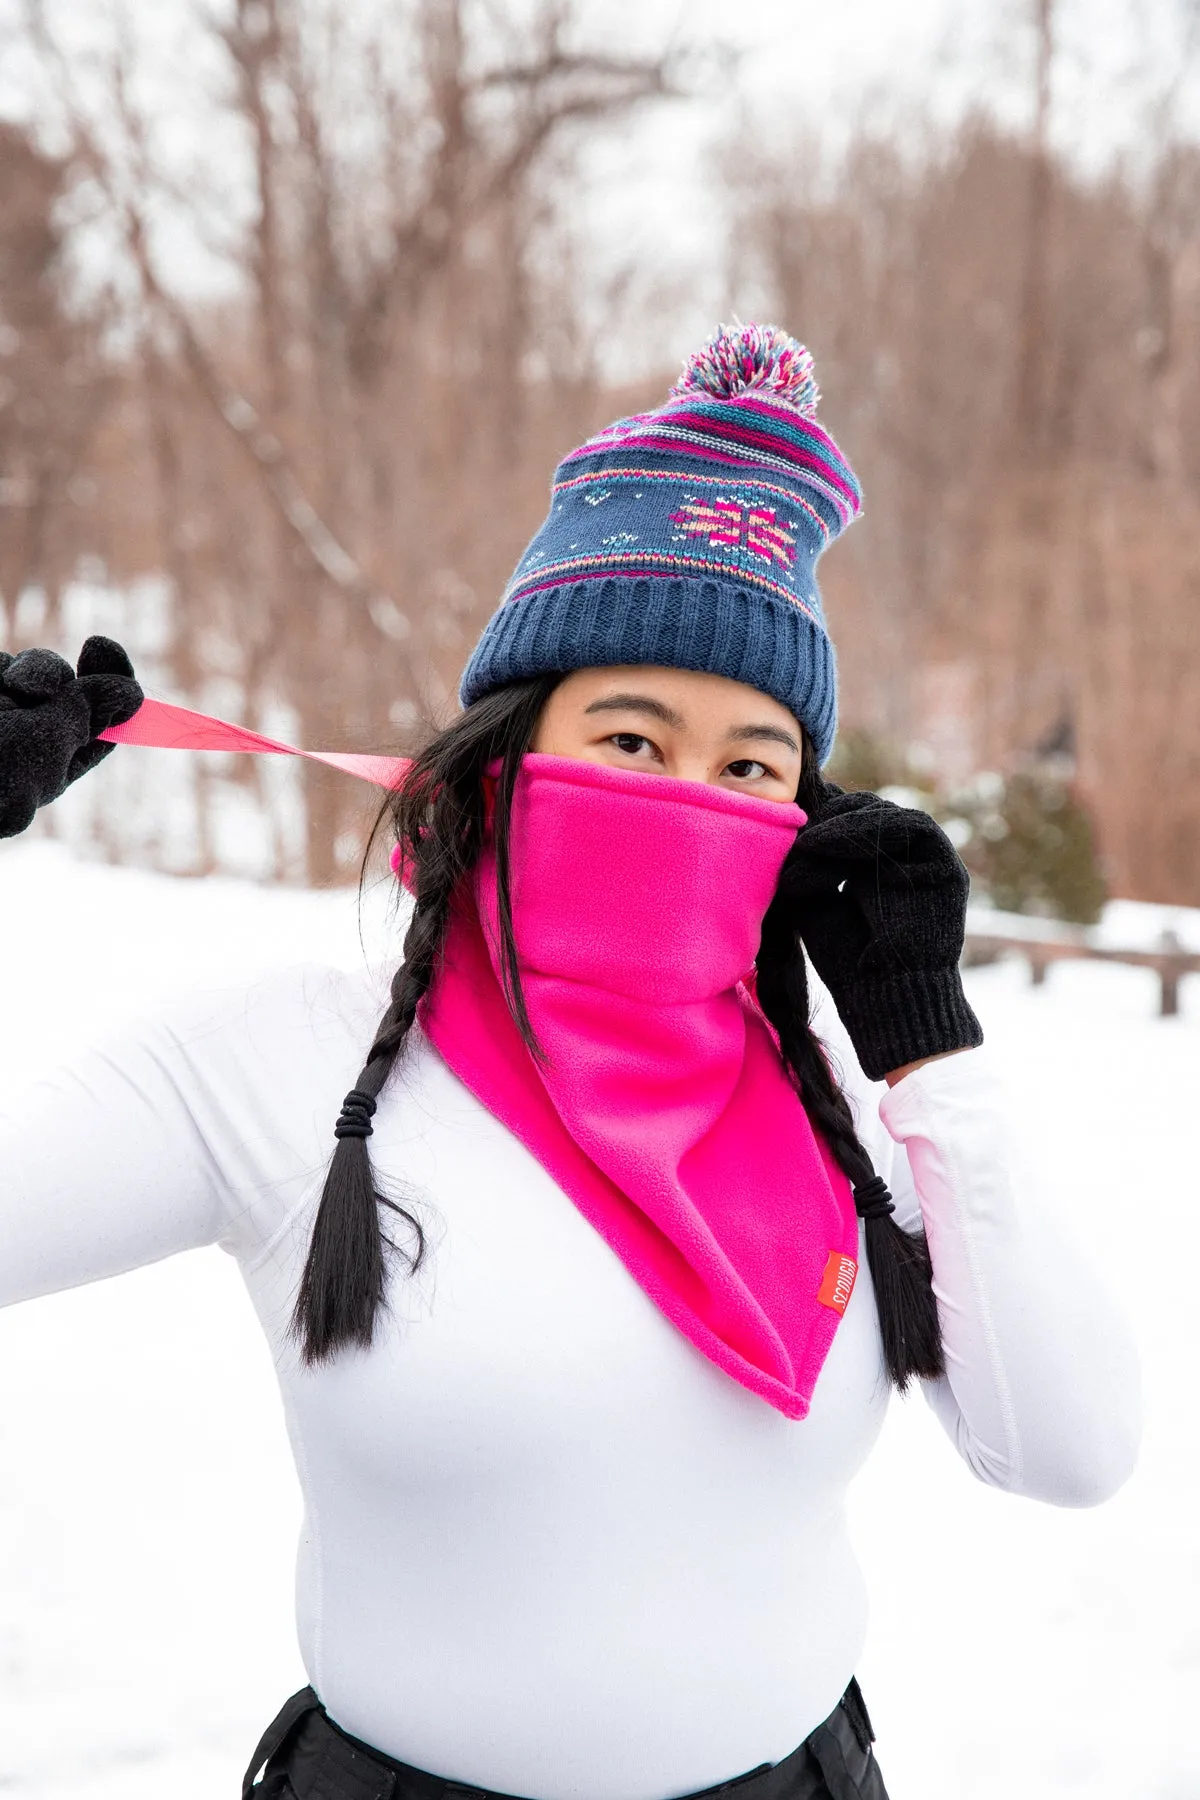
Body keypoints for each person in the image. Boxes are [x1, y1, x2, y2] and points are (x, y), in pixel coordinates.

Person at [0, 324, 1141, 1800]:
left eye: (750, 765)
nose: (689, 797)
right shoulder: (282, 1068)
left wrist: (925, 1042)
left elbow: (1071, 1445)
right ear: (506, 756)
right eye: (629, 735)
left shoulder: (840, 1103)